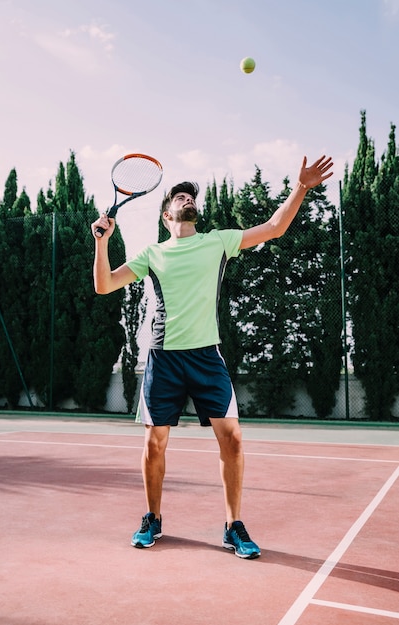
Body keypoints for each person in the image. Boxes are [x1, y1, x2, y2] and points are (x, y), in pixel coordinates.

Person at [91, 154, 333, 559]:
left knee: (233, 440)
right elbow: (103, 285)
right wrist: (101, 242)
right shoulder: (153, 253)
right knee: (154, 444)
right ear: (167, 214)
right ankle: (153, 518)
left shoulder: (217, 240)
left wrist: (302, 187)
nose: (187, 199)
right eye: (180, 197)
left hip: (207, 357)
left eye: (190, 196)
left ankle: (232, 525)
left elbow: (274, 228)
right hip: (164, 359)